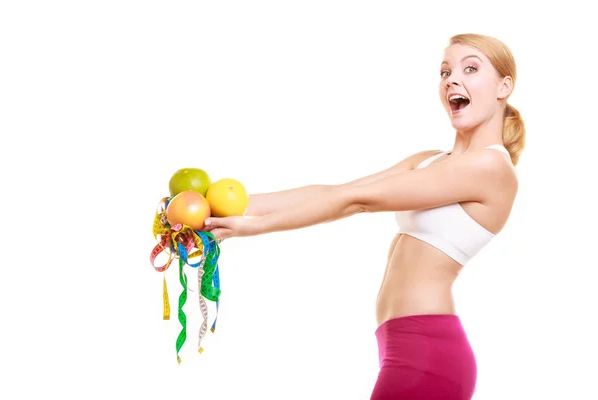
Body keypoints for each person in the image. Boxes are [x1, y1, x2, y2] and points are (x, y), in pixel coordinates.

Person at [204, 33, 525, 399]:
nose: (452, 79)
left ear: (504, 86)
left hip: (429, 354)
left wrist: (251, 228)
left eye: (470, 68)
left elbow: (359, 201)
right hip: (400, 345)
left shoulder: (490, 166)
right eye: (445, 71)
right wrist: (221, 205)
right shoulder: (429, 161)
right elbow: (337, 191)